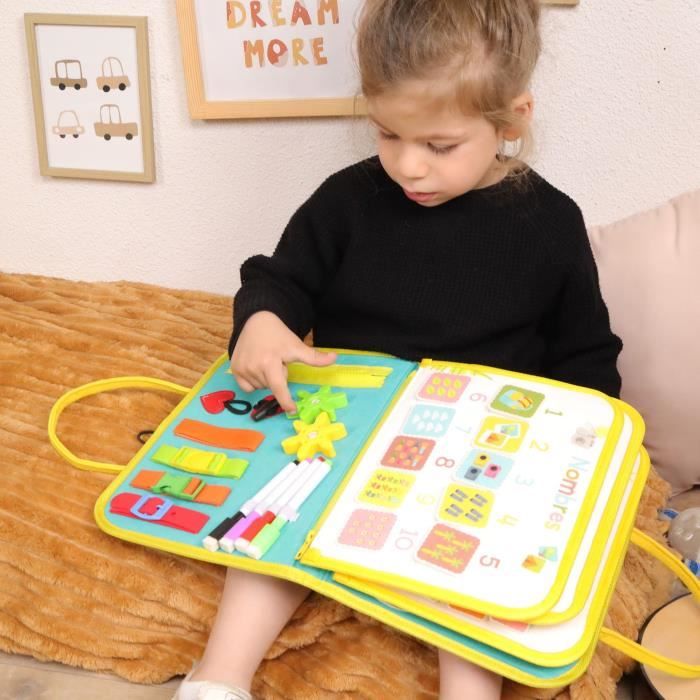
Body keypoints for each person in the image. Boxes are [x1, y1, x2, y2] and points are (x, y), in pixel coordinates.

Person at [173, 1, 622, 698]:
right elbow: (280, 280)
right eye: (388, 134)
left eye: (439, 145)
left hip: (481, 454)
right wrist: (262, 319)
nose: (409, 166)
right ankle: (218, 678)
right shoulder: (346, 200)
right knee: (272, 523)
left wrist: (578, 450)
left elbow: (586, 354)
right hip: (346, 433)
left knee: (472, 578)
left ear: (512, 119)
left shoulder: (552, 223)